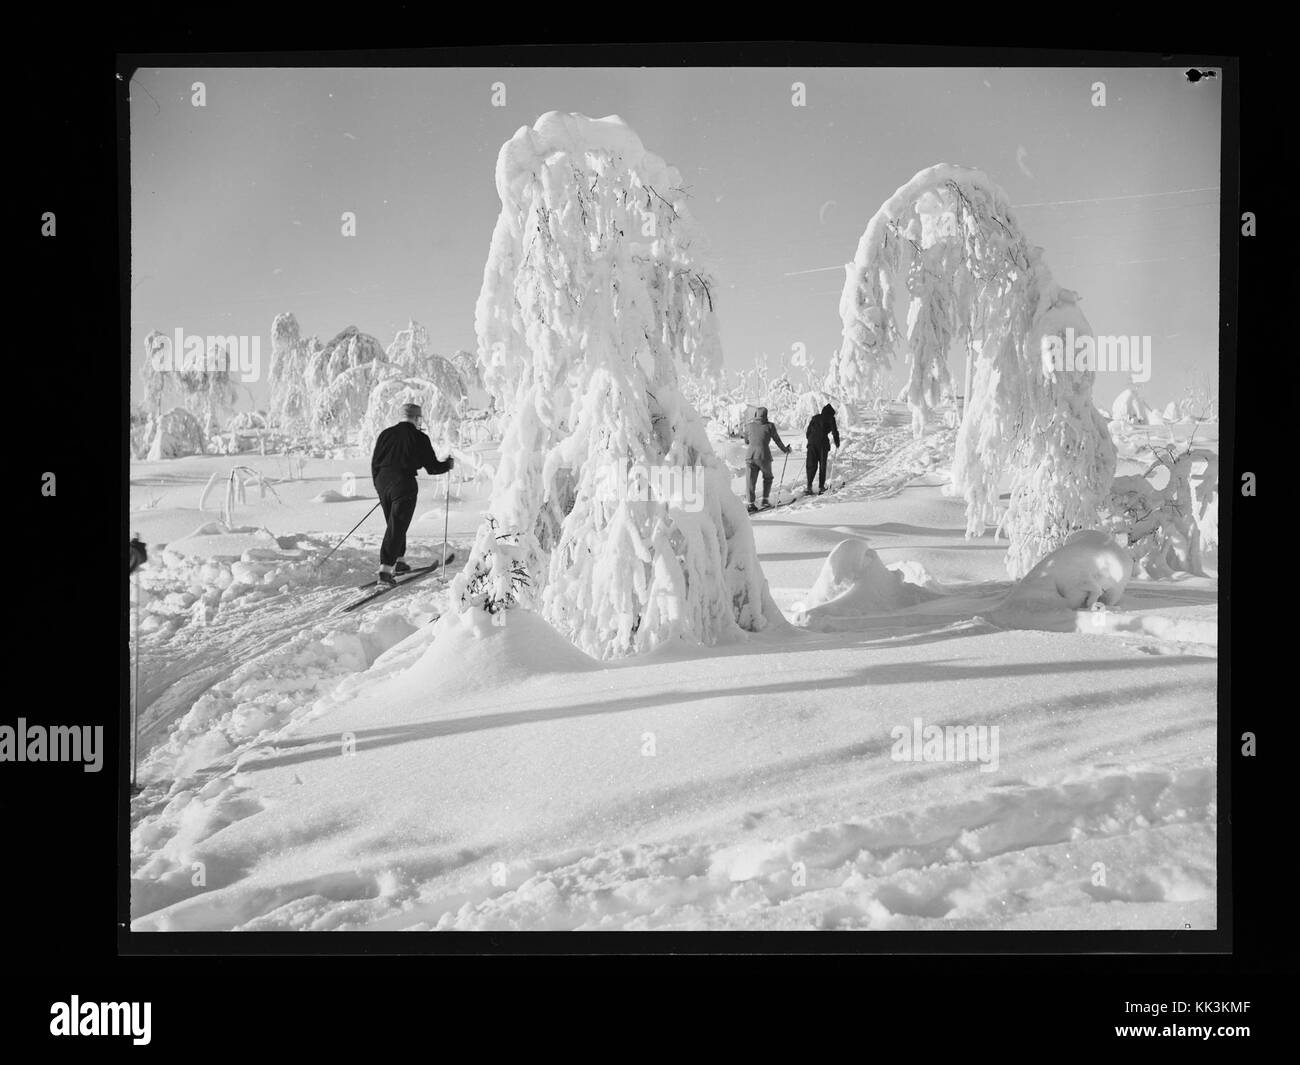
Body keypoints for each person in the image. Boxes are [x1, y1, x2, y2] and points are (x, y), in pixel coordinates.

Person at [370, 403, 454, 586]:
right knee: (398, 525)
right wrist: (448, 464)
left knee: (394, 524)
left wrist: (381, 486)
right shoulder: (419, 437)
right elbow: (432, 468)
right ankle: (385, 571)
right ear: (417, 418)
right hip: (404, 483)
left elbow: (375, 463)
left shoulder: (385, 434)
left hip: (383, 481)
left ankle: (398, 561)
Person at [745, 406, 791, 511]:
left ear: (756, 414)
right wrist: (785, 450)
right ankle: (765, 500)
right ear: (766, 415)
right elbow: (777, 440)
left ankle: (750, 503)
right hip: (764, 456)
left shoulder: (749, 426)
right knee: (768, 477)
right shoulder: (770, 426)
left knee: (750, 481)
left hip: (750, 456)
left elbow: (746, 441)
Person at [804, 403, 841, 494]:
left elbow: (808, 431)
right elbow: (834, 431)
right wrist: (837, 443)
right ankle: (821, 487)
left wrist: (810, 440)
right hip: (822, 444)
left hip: (811, 443)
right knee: (822, 465)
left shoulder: (815, 417)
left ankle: (809, 486)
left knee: (811, 465)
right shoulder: (830, 418)